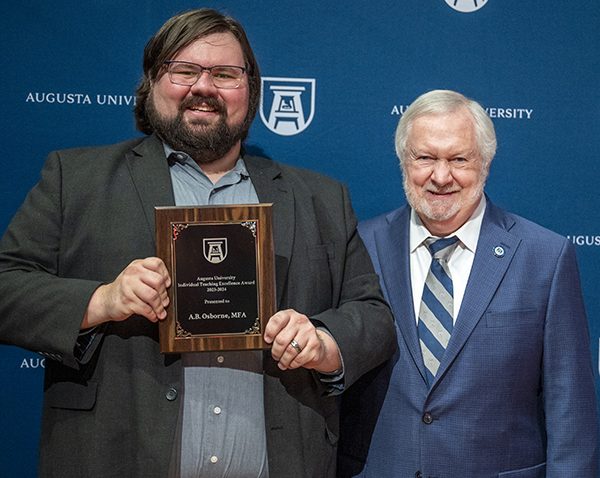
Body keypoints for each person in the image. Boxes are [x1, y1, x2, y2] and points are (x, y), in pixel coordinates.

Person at [0, 8, 395, 478]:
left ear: (250, 90)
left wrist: (325, 342)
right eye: (183, 70)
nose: (203, 87)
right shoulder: (75, 179)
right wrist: (102, 300)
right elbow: (7, 288)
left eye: (225, 74)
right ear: (152, 82)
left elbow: (372, 313)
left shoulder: (321, 198)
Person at [337, 89, 598, 477]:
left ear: (486, 164)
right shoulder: (360, 246)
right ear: (403, 161)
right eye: (425, 158)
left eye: (459, 159)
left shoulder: (546, 257)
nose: (441, 177)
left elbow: (570, 409)